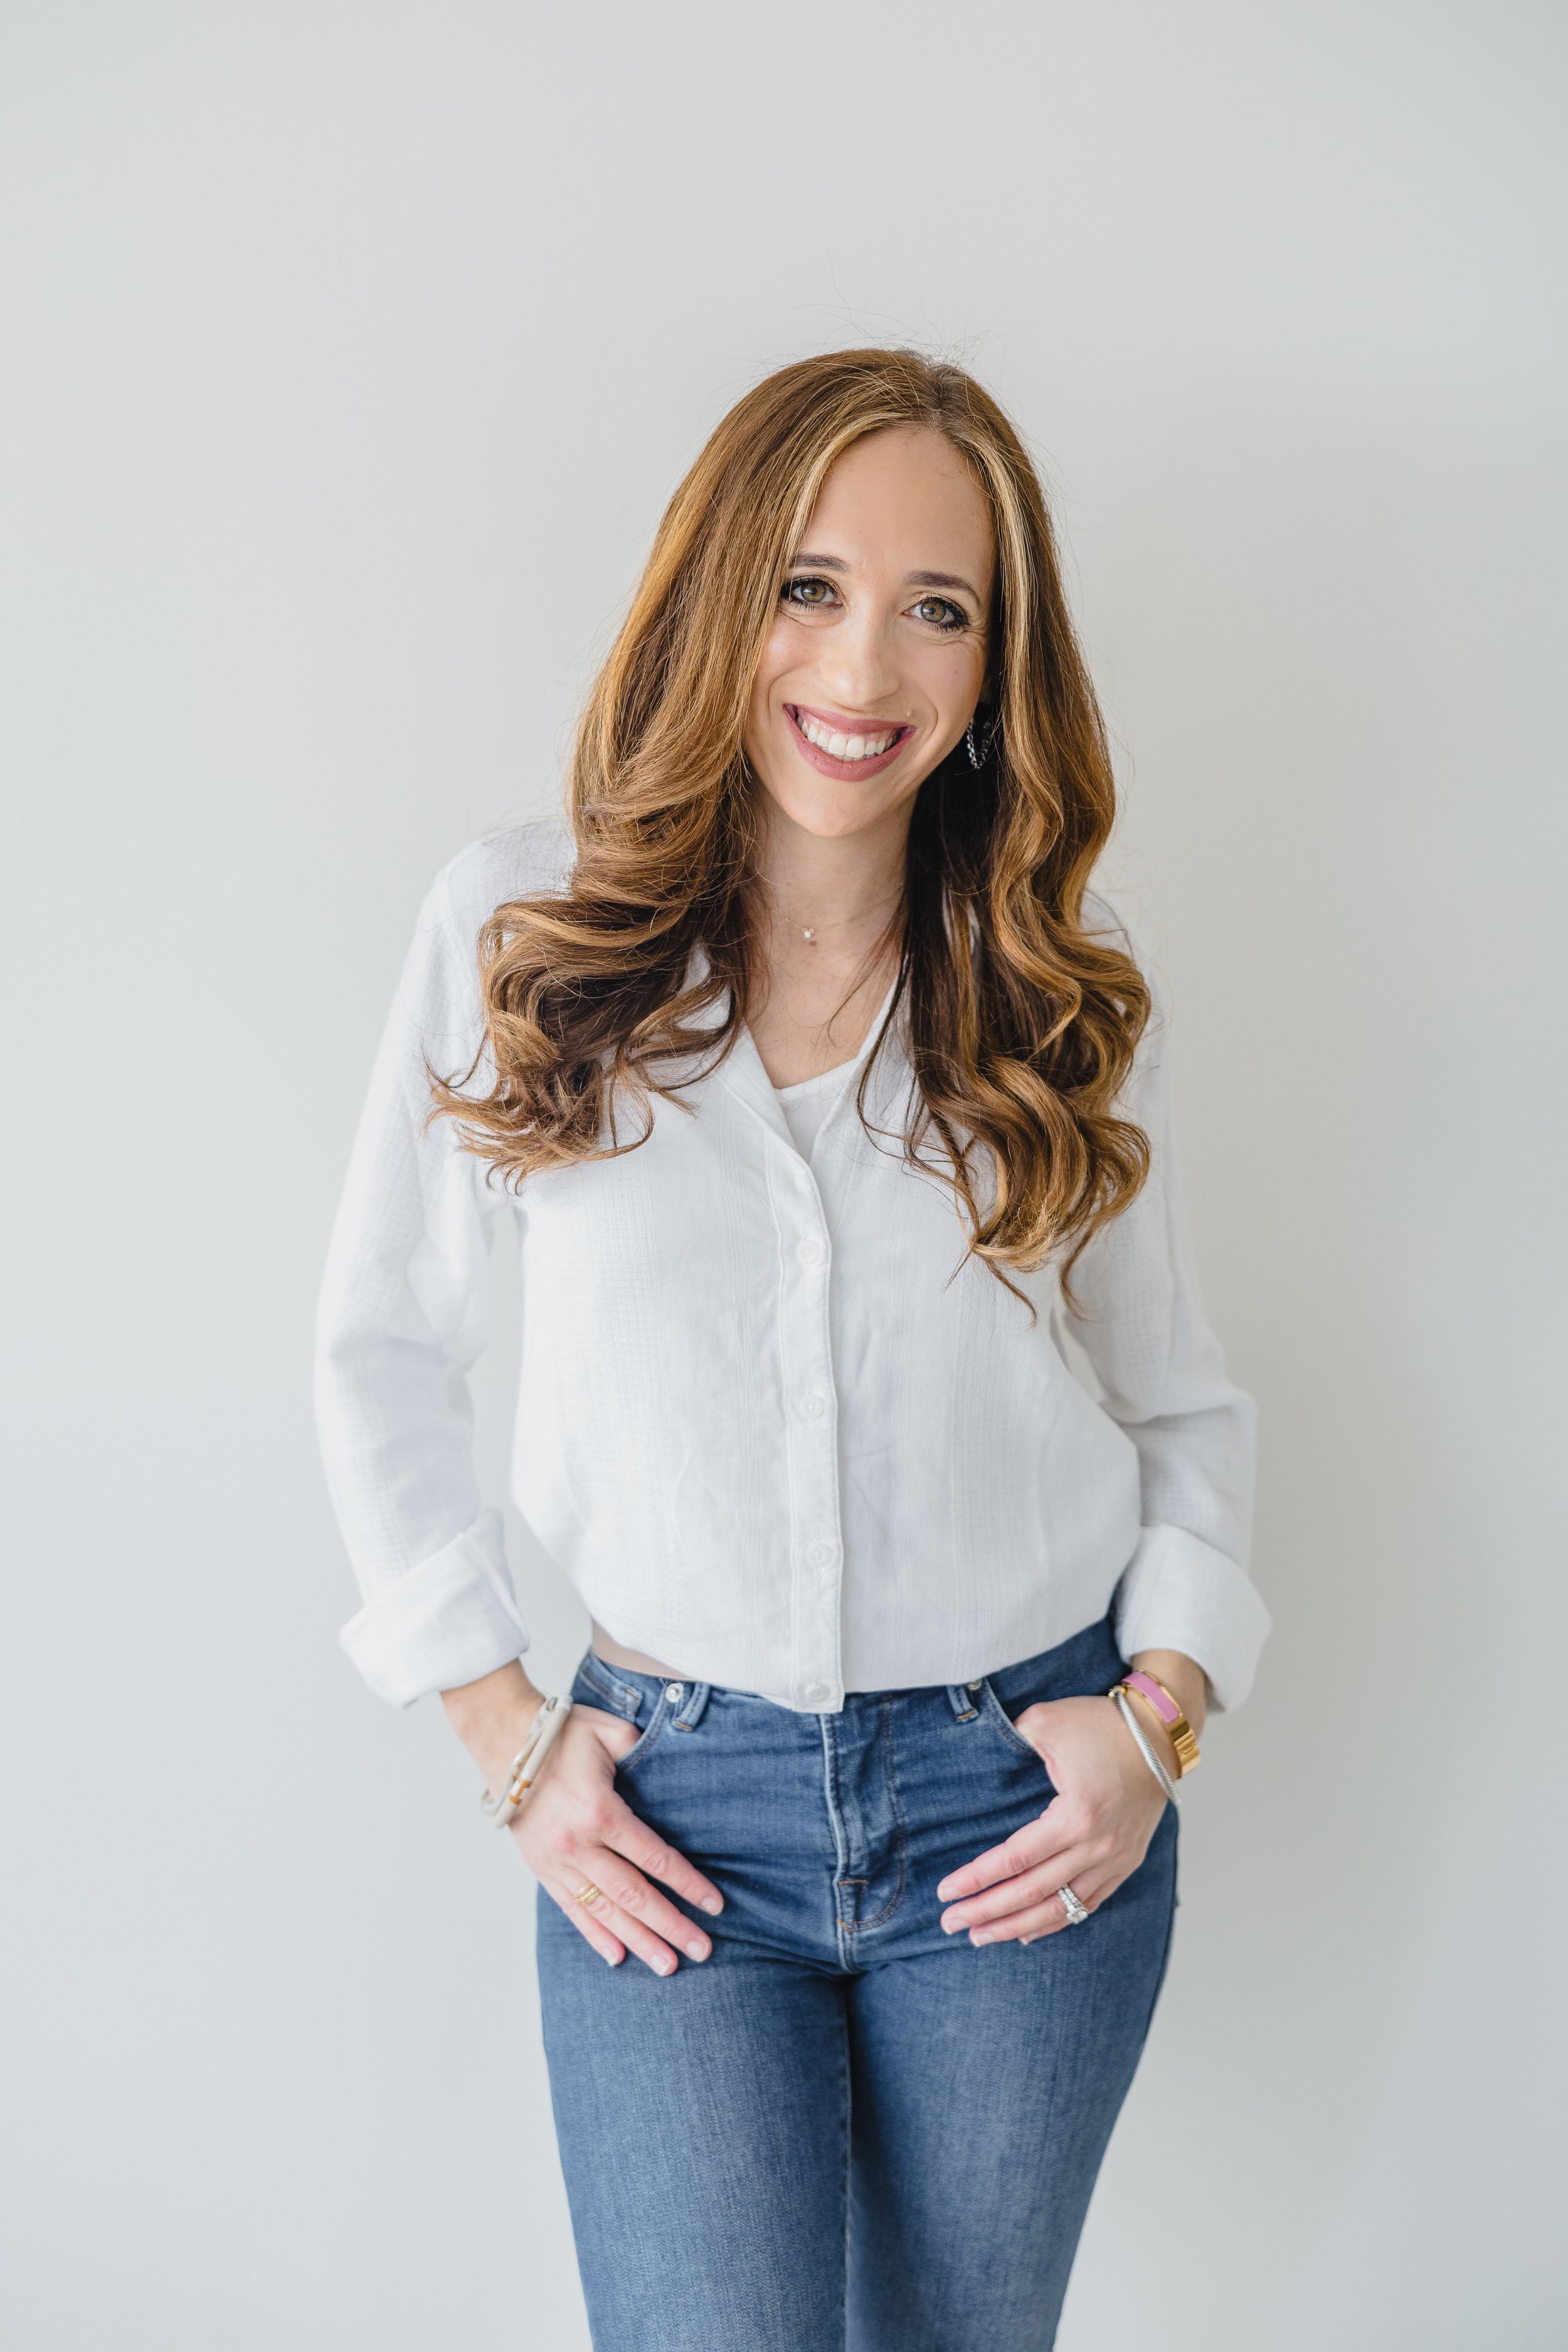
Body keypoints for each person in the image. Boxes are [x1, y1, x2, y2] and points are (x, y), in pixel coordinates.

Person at [315, 347, 1269, 2350]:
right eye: (809, 588)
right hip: (670, 1816)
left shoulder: (1062, 1000)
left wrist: (1154, 1718)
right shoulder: (524, 932)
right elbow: (382, 1349)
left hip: (1015, 1809)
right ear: (720, 593)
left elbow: (1181, 1401)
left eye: (940, 608)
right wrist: (504, 1738)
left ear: (996, 668)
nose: (865, 668)